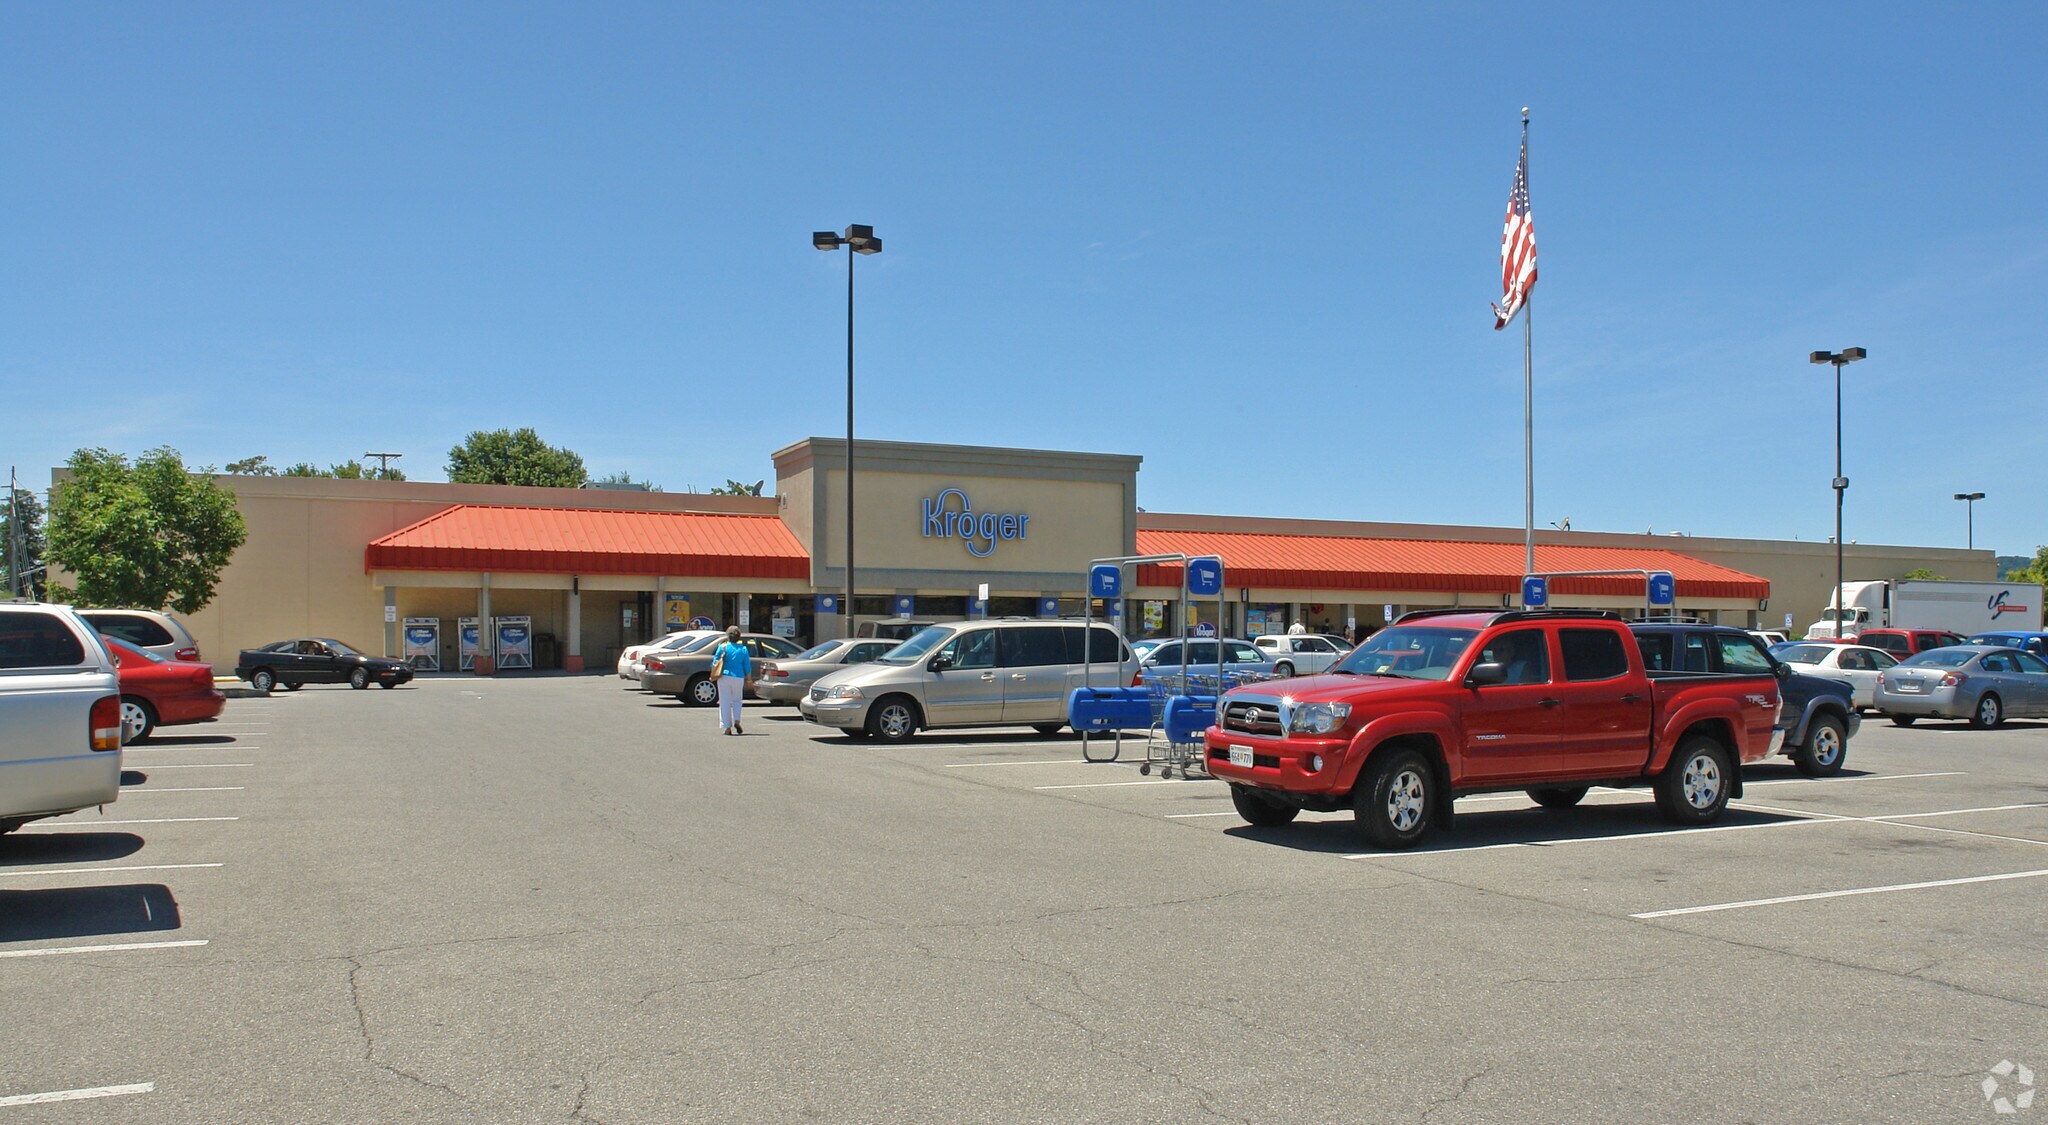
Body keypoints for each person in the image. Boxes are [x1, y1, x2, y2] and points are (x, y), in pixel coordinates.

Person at [712, 626, 752, 735]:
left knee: (724, 702)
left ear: (728, 636)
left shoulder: (723, 647)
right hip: (738, 677)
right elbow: (747, 666)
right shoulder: (743, 649)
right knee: (737, 700)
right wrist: (749, 680)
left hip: (724, 677)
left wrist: (713, 674)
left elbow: (714, 663)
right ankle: (737, 721)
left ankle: (727, 728)